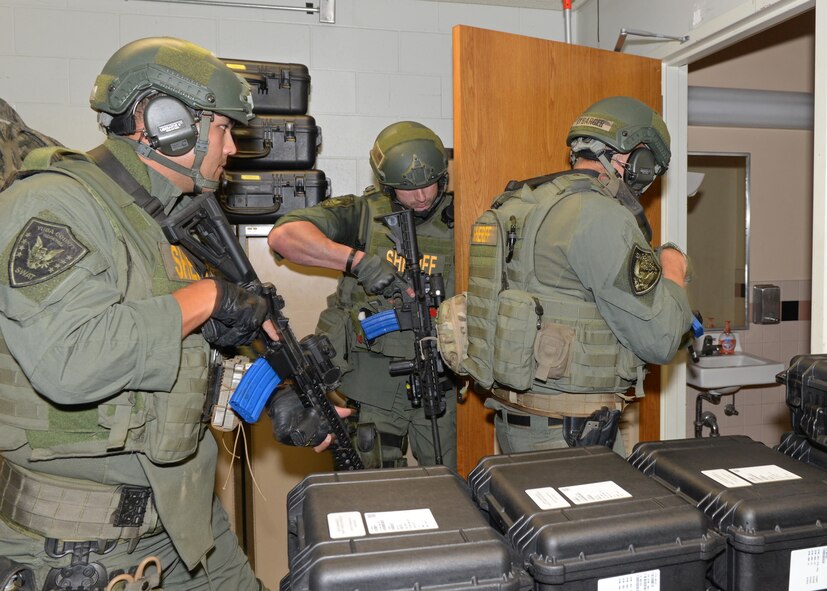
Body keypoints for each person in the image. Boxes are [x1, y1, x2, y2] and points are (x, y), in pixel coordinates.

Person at [0, 37, 330, 590]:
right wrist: (207, 298)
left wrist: (274, 398)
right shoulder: (54, 203)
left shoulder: (163, 222)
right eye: (224, 130)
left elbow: (177, 364)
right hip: (77, 550)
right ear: (166, 122)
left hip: (183, 524)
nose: (230, 150)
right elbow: (72, 360)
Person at [468, 96, 691, 455]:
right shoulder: (599, 215)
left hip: (517, 424)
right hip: (571, 437)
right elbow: (661, 338)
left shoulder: (518, 204)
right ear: (637, 160)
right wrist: (673, 266)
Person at [268, 121, 457, 469]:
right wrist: (358, 262)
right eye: (406, 189)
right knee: (372, 491)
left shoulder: (463, 212)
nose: (421, 197)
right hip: (372, 387)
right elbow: (284, 236)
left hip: (441, 384)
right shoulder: (362, 213)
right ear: (386, 186)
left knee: (452, 487)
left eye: (429, 184)